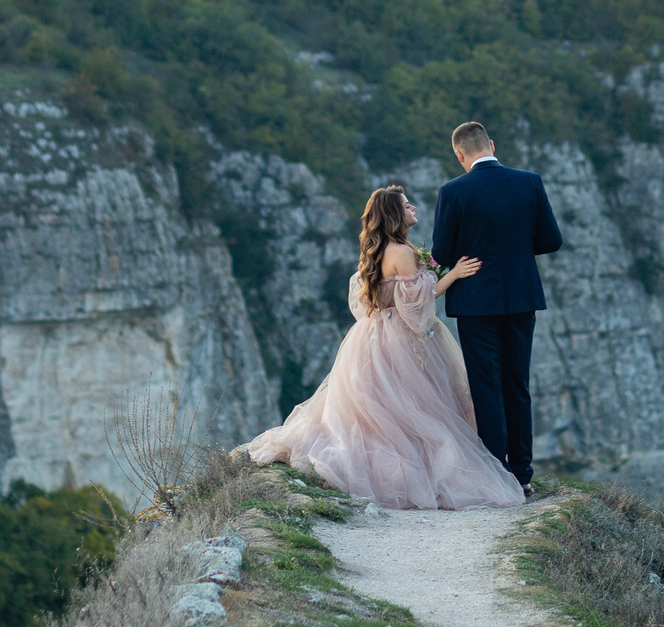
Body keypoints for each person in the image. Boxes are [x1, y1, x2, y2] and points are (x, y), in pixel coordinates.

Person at [241, 184, 525, 509]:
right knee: (411, 407)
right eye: (406, 205)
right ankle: (414, 474)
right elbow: (418, 303)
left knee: (388, 409)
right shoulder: (402, 252)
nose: (413, 208)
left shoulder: (381, 249)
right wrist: (455, 274)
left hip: (373, 336)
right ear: (394, 214)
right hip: (397, 338)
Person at [428, 120, 562, 496]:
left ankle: (496, 473)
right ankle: (522, 473)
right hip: (520, 297)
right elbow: (551, 240)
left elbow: (441, 252)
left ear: (459, 155)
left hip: (474, 301)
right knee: (517, 383)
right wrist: (516, 250)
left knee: (486, 387)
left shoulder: (453, 191)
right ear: (491, 144)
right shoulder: (529, 181)